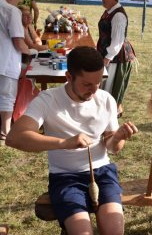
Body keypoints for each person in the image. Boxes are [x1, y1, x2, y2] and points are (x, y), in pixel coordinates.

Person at [6, 46, 139, 235]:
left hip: (102, 172)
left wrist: (117, 137)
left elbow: (113, 149)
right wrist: (63, 143)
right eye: (87, 85)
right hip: (65, 176)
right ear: (68, 77)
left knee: (114, 231)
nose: (94, 91)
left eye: (98, 83)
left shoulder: (106, 100)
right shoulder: (47, 100)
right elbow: (14, 137)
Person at [97, 0, 136, 118]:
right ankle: (106, 114)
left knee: (110, 87)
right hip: (110, 54)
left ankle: (111, 115)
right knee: (105, 86)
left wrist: (107, 58)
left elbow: (117, 41)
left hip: (116, 57)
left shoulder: (118, 15)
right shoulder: (109, 11)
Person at [0, 0, 30, 144]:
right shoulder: (11, 11)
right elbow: (18, 41)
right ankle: (5, 131)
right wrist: (31, 52)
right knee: (6, 96)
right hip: (6, 60)